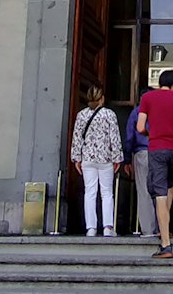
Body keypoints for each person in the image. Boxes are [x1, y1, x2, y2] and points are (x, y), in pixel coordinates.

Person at [137, 69, 173, 259]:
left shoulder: (148, 98)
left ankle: (165, 244)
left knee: (159, 193)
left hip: (157, 148)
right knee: (169, 187)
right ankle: (166, 228)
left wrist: (150, 134)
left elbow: (140, 127)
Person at [70, 85, 123, 237]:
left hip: (88, 158)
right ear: (102, 98)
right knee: (107, 193)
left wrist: (76, 158)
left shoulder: (81, 115)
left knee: (90, 192)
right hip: (105, 158)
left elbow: (77, 138)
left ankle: (91, 228)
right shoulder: (109, 114)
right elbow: (115, 138)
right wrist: (117, 157)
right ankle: (107, 227)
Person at [124, 88, 158, 237]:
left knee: (144, 192)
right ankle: (161, 228)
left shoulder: (136, 112)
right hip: (159, 152)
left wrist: (126, 159)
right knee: (160, 192)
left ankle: (148, 230)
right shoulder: (159, 112)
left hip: (142, 152)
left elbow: (130, 137)